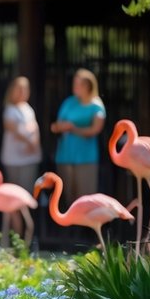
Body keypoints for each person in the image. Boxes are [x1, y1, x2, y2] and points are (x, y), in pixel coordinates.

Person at [51, 68, 106, 205]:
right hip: (65, 157)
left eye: (78, 84)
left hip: (86, 159)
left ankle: (84, 227)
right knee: (67, 199)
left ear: (88, 86)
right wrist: (60, 127)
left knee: (85, 199)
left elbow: (95, 129)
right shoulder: (69, 102)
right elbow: (56, 126)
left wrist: (73, 128)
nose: (74, 87)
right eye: (74, 83)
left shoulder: (97, 106)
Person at [0, 76, 42, 191]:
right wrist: (30, 143)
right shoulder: (9, 109)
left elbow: (35, 130)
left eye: (24, 89)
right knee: (15, 190)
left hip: (30, 156)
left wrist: (34, 146)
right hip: (14, 157)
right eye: (19, 89)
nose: (22, 92)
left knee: (27, 189)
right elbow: (12, 128)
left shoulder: (28, 109)